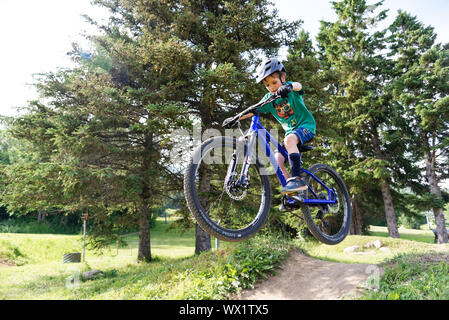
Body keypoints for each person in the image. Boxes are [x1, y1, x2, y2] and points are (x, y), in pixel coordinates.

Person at [237, 58, 316, 211]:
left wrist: (290, 86)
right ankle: (293, 193)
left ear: (283, 78)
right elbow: (253, 109)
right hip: (291, 134)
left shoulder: (289, 88)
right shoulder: (269, 99)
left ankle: (297, 179)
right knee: (277, 161)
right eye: (267, 85)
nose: (271, 87)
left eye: (274, 82)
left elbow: (299, 87)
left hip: (306, 127)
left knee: (288, 140)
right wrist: (236, 117)